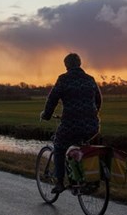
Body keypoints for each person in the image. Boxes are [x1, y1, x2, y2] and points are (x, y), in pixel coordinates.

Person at [40, 53, 102, 194]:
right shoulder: (90, 79)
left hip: (71, 124)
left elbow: (52, 99)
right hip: (92, 125)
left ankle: (60, 183)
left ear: (66, 65)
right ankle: (81, 179)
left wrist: (46, 115)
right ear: (79, 64)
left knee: (60, 146)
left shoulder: (63, 80)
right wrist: (92, 113)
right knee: (82, 145)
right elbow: (99, 100)